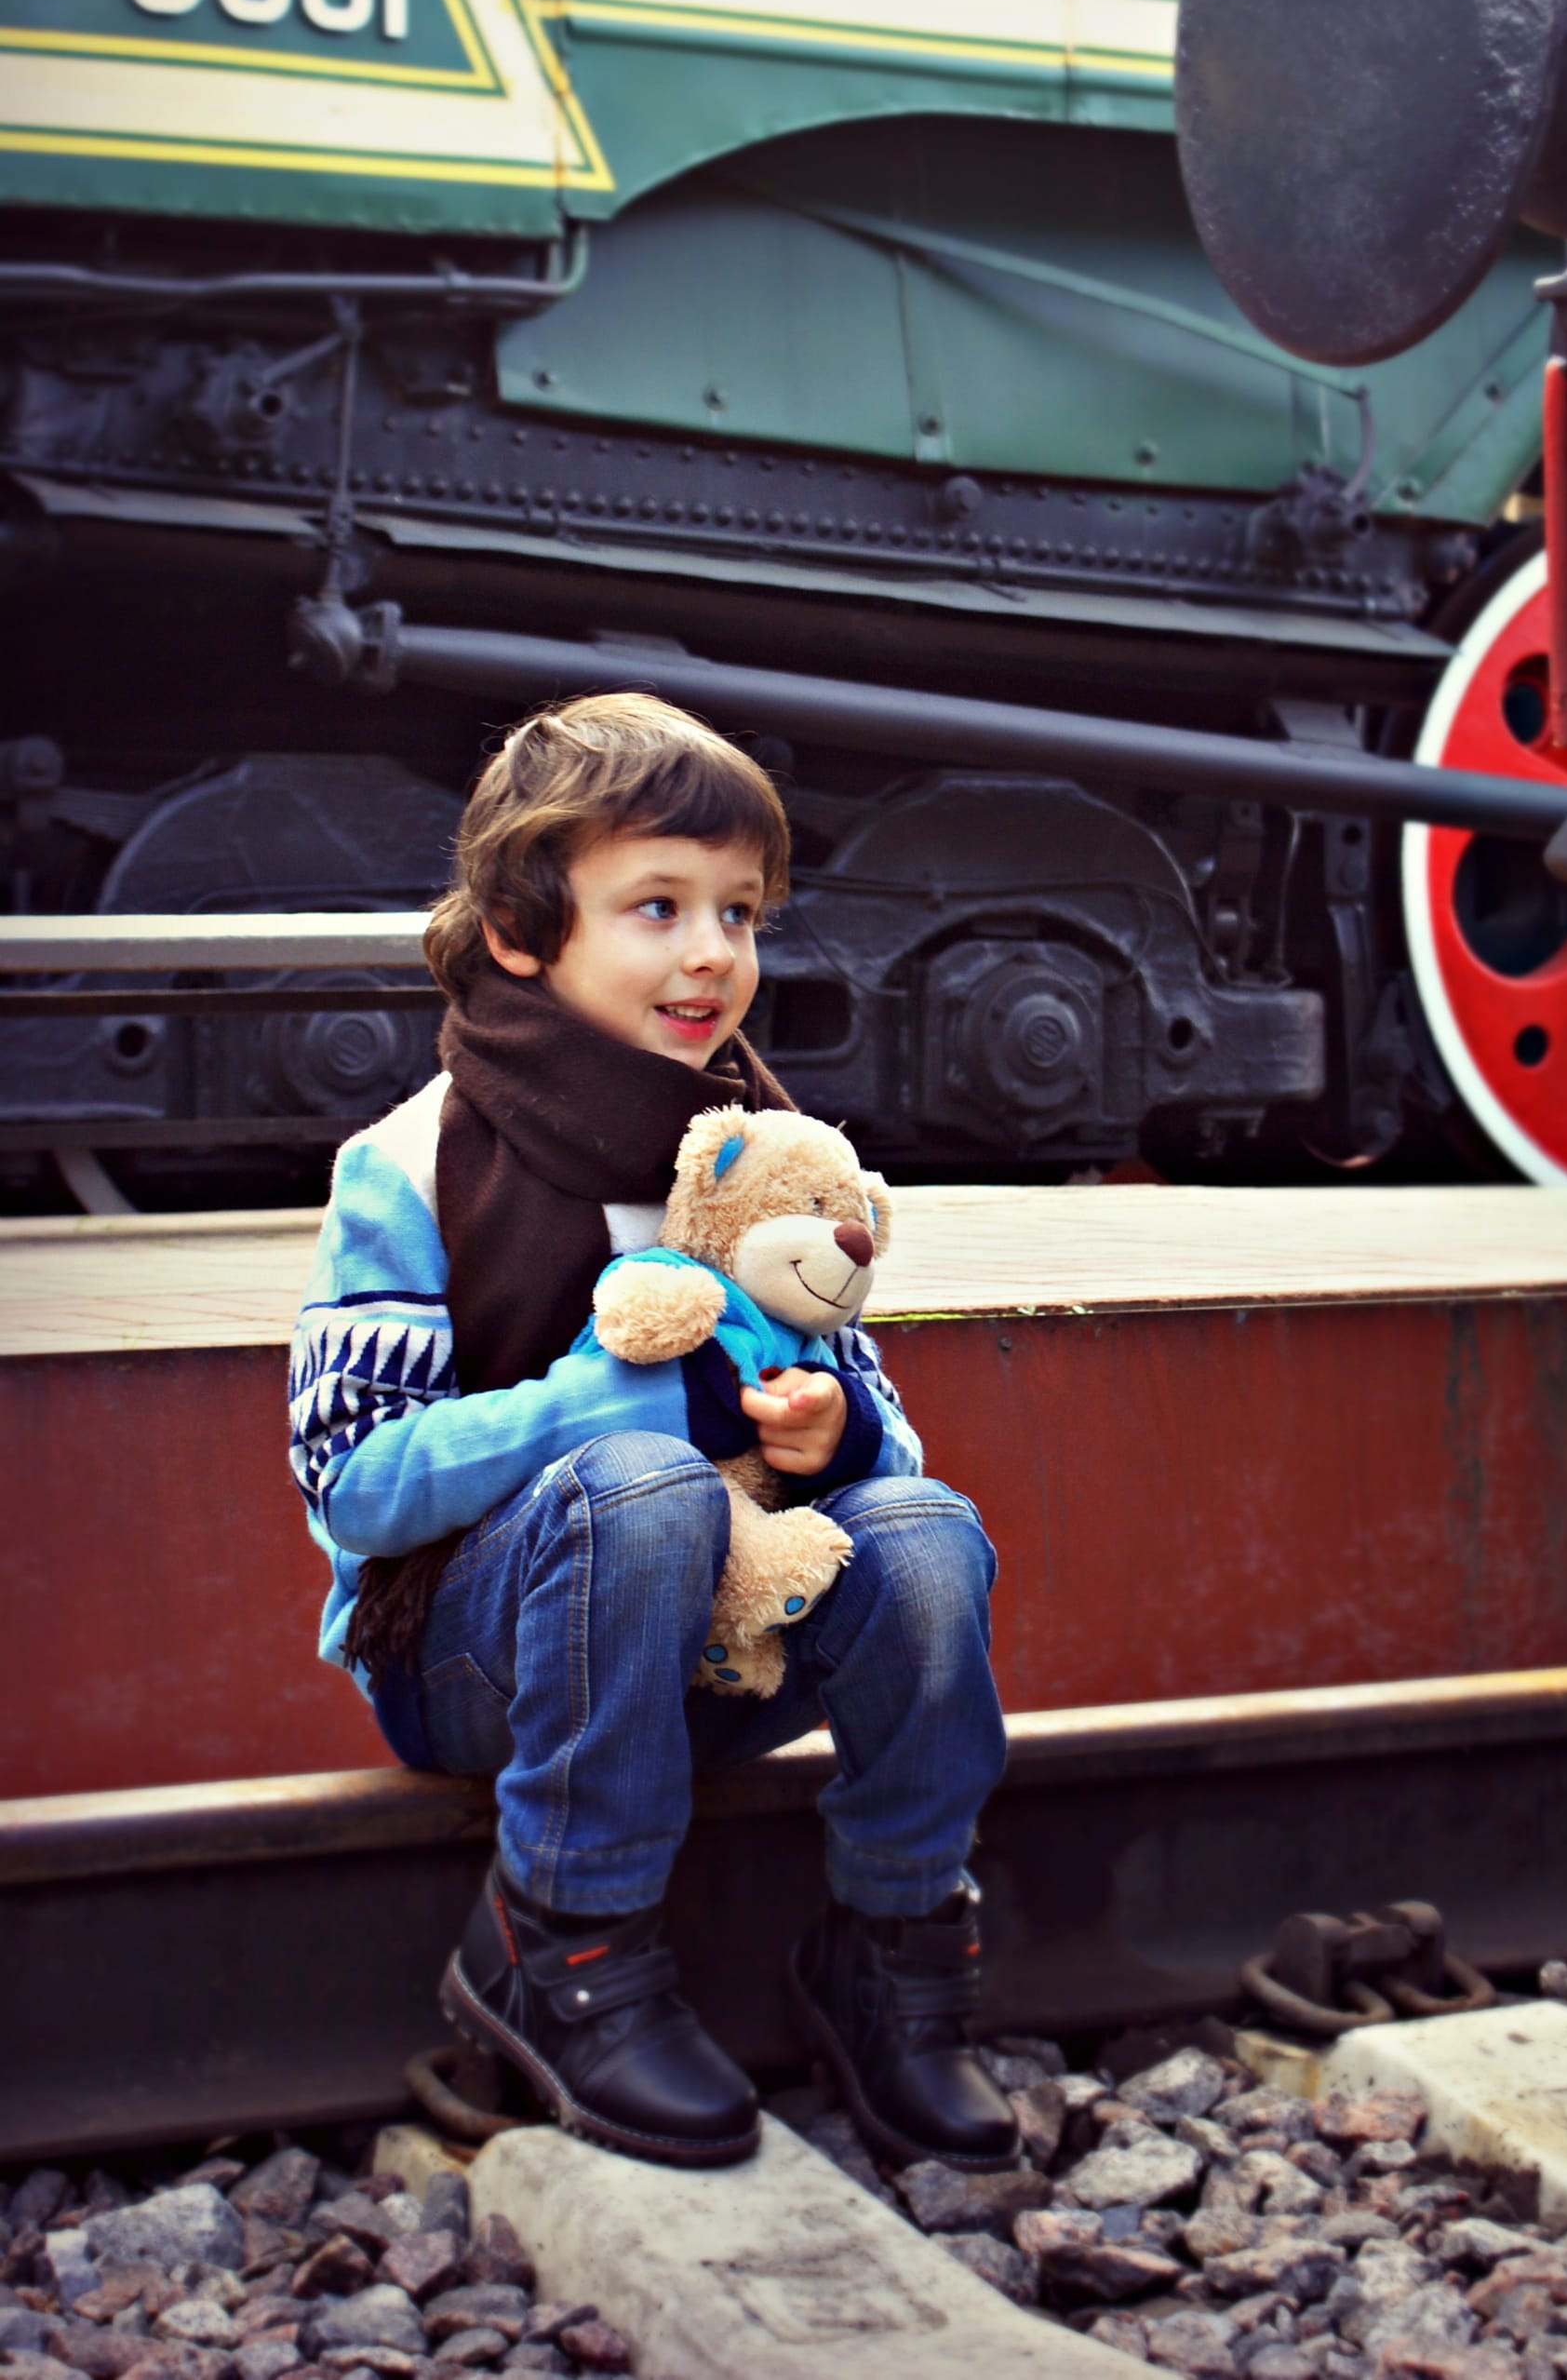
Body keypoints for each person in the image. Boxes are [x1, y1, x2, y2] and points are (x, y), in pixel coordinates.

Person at [288, 692, 1014, 2172]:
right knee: (636, 1483)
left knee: (928, 1530)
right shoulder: (411, 1159)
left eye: (739, 912)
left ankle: (894, 1952)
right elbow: (355, 1485)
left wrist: (834, 1437)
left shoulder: (758, 1153)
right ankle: (561, 1944)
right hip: (475, 1653)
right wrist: (596, 1406)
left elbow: (888, 1435)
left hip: (716, 1637)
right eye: (658, 907)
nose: (712, 952)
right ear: (517, 928)